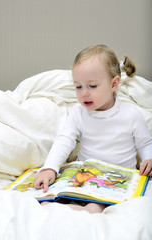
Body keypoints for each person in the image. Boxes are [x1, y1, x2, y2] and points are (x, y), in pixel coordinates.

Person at [34, 44, 152, 213]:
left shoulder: (131, 114)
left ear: (114, 84)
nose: (84, 94)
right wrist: (50, 168)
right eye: (78, 86)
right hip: (85, 177)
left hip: (116, 180)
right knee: (48, 200)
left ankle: (84, 216)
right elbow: (64, 140)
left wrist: (149, 158)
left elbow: (145, 143)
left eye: (92, 86)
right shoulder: (78, 113)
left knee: (95, 207)